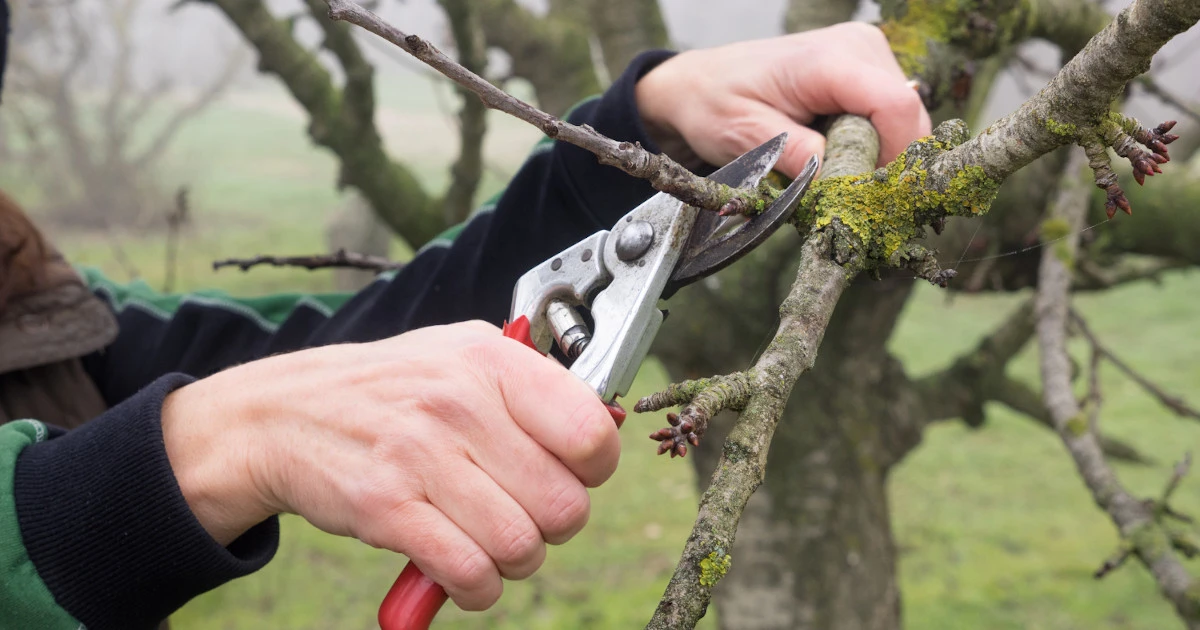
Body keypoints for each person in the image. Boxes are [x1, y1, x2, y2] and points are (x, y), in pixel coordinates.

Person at [0, 17, 931, 630]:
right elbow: (262, 399)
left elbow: (350, 353)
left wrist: (643, 136)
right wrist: (211, 445)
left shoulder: (42, 311)